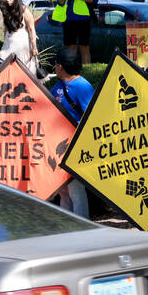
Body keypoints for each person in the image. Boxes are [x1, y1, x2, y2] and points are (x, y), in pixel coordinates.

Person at [48, 48, 94, 218]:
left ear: (60, 66)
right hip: (59, 146)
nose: (54, 68)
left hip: (75, 147)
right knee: (63, 191)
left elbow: (92, 116)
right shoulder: (59, 85)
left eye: (56, 65)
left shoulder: (82, 86)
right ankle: (66, 229)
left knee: (75, 189)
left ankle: (83, 229)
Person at [52, 0, 100, 64]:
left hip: (84, 18)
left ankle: (87, 72)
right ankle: (71, 72)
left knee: (84, 47)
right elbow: (59, 2)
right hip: (68, 19)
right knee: (70, 48)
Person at [0, 0, 38, 73]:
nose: (7, 0)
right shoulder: (6, 11)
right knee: (4, 65)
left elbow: (32, 29)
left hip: (23, 44)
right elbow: (5, 29)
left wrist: (34, 47)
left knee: (23, 69)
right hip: (9, 43)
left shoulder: (24, 10)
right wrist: (5, 42)